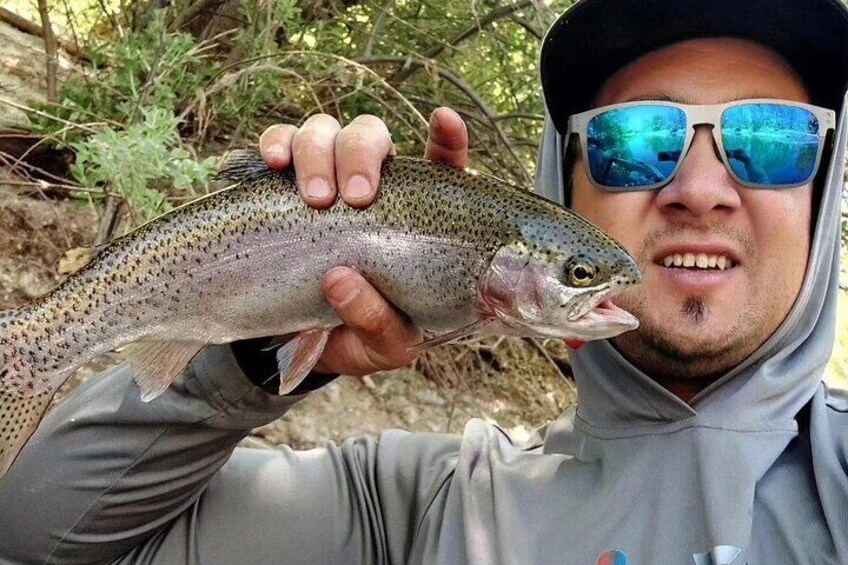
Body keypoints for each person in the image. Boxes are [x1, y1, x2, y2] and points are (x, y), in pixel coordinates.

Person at [1, 0, 846, 562]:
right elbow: (34, 529)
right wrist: (255, 345)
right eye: (637, 141)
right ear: (566, 181)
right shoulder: (416, 510)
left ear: (825, 187)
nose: (701, 187)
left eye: (775, 139)